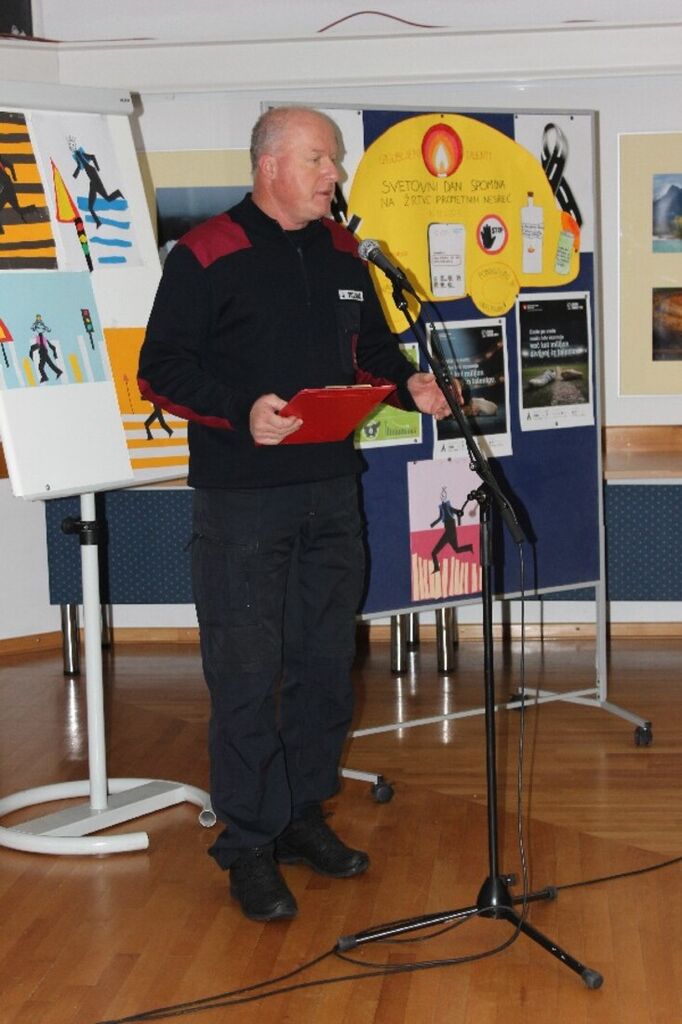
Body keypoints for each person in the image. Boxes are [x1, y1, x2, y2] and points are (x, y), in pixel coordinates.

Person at [138, 106, 455, 923]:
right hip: (241, 500)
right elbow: (160, 369)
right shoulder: (206, 253)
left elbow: (371, 354)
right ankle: (247, 841)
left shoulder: (345, 253)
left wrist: (409, 385)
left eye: (333, 161)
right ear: (270, 164)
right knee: (246, 674)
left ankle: (301, 816)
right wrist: (241, 408)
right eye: (320, 159)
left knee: (323, 665)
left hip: (330, 491)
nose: (333, 175)